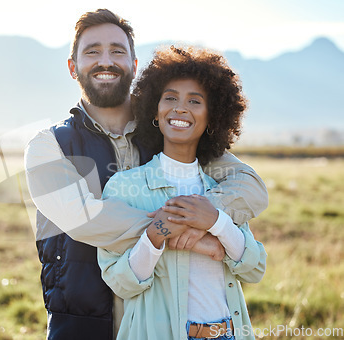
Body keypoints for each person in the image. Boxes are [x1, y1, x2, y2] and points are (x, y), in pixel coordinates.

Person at [23, 9, 268, 340]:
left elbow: (249, 186)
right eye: (92, 51)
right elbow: (85, 218)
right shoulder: (48, 146)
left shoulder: (171, 129)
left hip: (163, 315)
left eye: (118, 51)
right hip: (81, 322)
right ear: (72, 67)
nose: (105, 61)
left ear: (134, 66)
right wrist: (182, 226)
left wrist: (208, 217)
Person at [98, 46, 267, 340]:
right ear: (156, 109)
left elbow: (254, 269)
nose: (180, 108)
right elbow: (120, 283)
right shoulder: (124, 187)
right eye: (171, 98)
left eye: (194, 101)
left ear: (212, 117)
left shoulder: (221, 191)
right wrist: (156, 233)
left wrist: (216, 221)